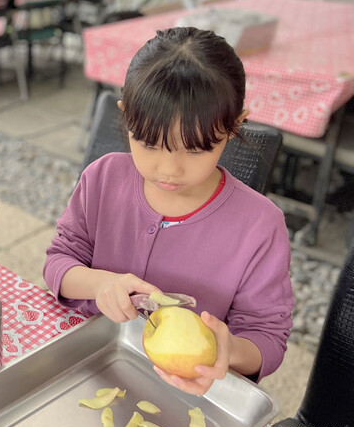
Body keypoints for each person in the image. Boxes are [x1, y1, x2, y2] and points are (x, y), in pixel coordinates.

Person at [43, 26, 293, 396]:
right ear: (126, 117)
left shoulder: (260, 225)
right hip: (92, 365)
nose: (168, 170)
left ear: (234, 126)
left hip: (191, 390)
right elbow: (59, 261)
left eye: (194, 150)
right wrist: (101, 285)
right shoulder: (103, 178)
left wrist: (229, 350)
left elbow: (268, 337)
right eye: (148, 144)